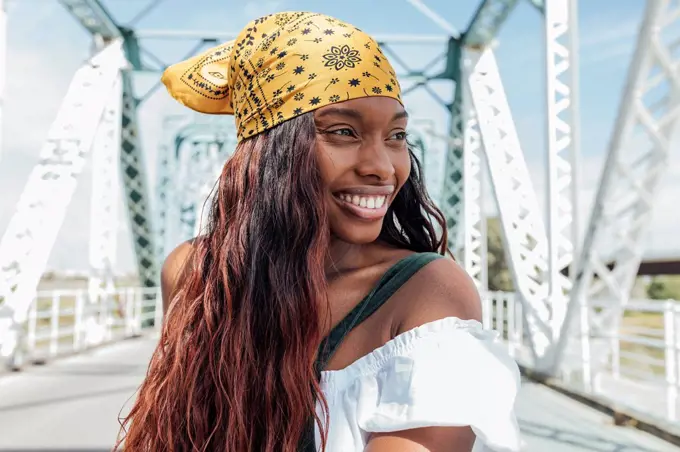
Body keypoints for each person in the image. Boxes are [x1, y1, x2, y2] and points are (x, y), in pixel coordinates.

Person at [116, 11, 521, 452]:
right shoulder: (194, 271)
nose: (382, 167)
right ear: (270, 151)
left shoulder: (427, 294)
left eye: (397, 135)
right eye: (343, 132)